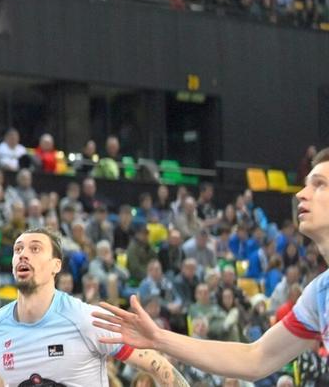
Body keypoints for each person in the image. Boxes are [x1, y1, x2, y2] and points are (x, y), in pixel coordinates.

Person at [92, 147, 329, 383]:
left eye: (319, 184)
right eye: (307, 183)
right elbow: (255, 358)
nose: (301, 193)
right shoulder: (319, 294)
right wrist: (158, 338)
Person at [0, 229, 187, 386]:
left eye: (35, 249)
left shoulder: (88, 318)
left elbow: (157, 365)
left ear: (56, 265)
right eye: (18, 249)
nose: (23, 254)